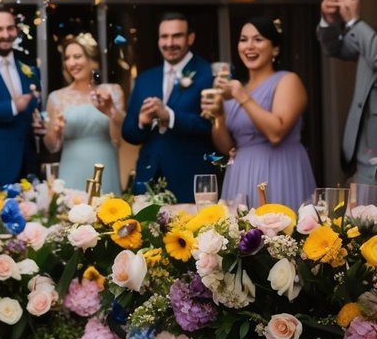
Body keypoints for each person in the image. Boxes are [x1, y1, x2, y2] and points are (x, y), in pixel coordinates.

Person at [203, 16, 315, 209]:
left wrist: (242, 96)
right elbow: (226, 147)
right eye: (243, 39)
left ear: (276, 49)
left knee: (281, 235)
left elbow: (276, 133)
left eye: (258, 39)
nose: (249, 46)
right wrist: (218, 116)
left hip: (279, 171)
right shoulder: (236, 90)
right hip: (240, 174)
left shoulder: (288, 81)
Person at [122, 12, 217, 203]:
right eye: (164, 37)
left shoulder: (209, 74)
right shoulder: (145, 79)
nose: (169, 42)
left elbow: (211, 128)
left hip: (191, 179)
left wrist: (170, 116)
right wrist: (142, 122)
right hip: (148, 179)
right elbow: (128, 133)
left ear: (190, 38)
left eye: (177, 36)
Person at [44, 34, 124, 195]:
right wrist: (56, 131)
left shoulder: (112, 91)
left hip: (105, 167)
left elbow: (119, 139)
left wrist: (110, 110)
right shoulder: (56, 97)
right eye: (67, 58)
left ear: (91, 59)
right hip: (71, 168)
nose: (71, 63)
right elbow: (52, 147)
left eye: (77, 56)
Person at [0, 3, 42, 186]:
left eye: (10, 28)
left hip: (28, 165)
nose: (5, 34)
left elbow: (33, 113)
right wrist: (12, 107)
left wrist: (39, 125)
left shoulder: (28, 69)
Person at [318, 0, 377, 184]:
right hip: (364, 160)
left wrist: (354, 21)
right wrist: (330, 20)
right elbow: (336, 48)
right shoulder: (370, 39)